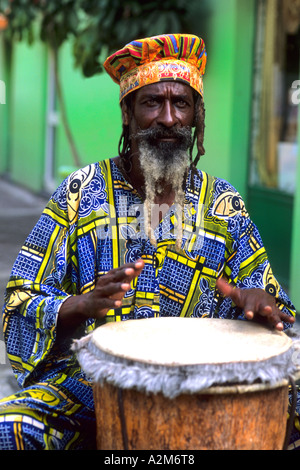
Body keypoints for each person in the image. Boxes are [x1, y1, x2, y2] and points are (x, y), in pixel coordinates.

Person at [0, 33, 298, 450]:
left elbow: (277, 312)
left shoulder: (224, 204)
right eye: (152, 102)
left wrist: (260, 303)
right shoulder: (82, 192)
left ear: (196, 115)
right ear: (127, 113)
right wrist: (78, 306)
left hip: (206, 386)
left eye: (181, 103)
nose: (169, 118)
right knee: (10, 428)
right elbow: (18, 304)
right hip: (93, 384)